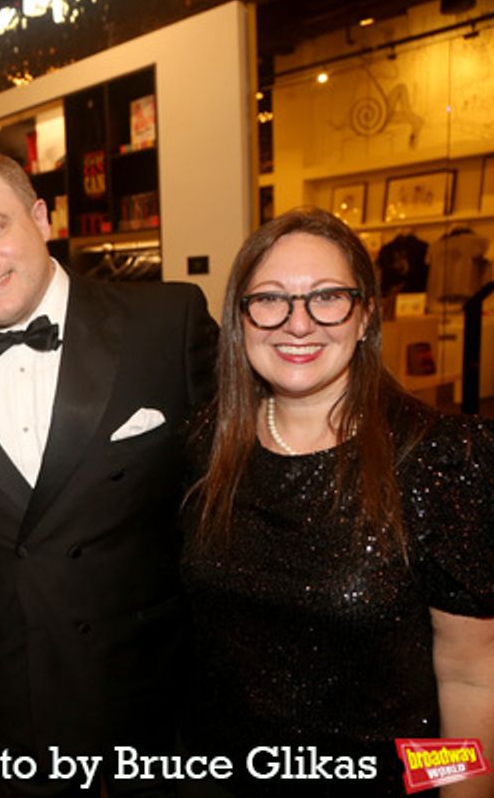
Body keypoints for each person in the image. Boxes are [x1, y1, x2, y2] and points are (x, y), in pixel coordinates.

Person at [0, 148, 218, 796]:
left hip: (156, 710)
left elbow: (241, 478)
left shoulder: (166, 323)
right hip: (18, 713)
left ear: (40, 217)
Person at [180, 207, 494, 796]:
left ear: (365, 315)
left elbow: (471, 678)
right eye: (270, 299)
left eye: (328, 297)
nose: (297, 324)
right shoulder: (208, 445)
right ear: (241, 318)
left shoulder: (443, 460)